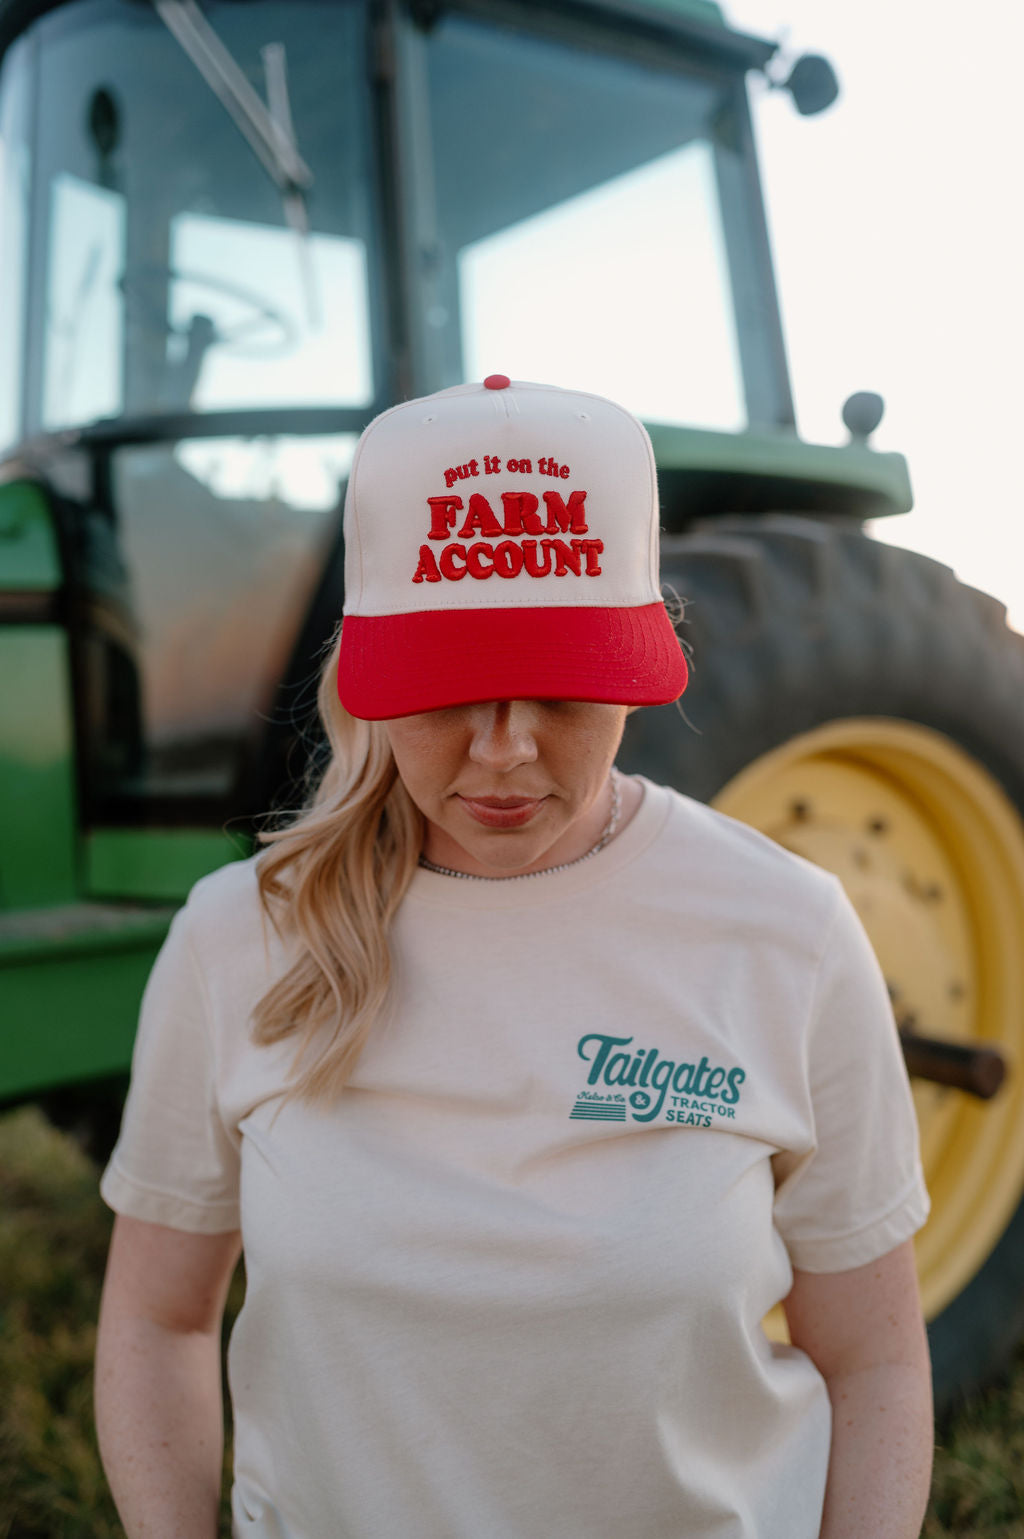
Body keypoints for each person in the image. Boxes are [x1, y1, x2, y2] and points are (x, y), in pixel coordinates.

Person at [94, 375, 933, 1539]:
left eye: (561, 687)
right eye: (448, 690)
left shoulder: (785, 932)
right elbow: (158, 1321)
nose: (503, 751)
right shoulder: (242, 940)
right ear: (370, 670)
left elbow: (876, 1360)